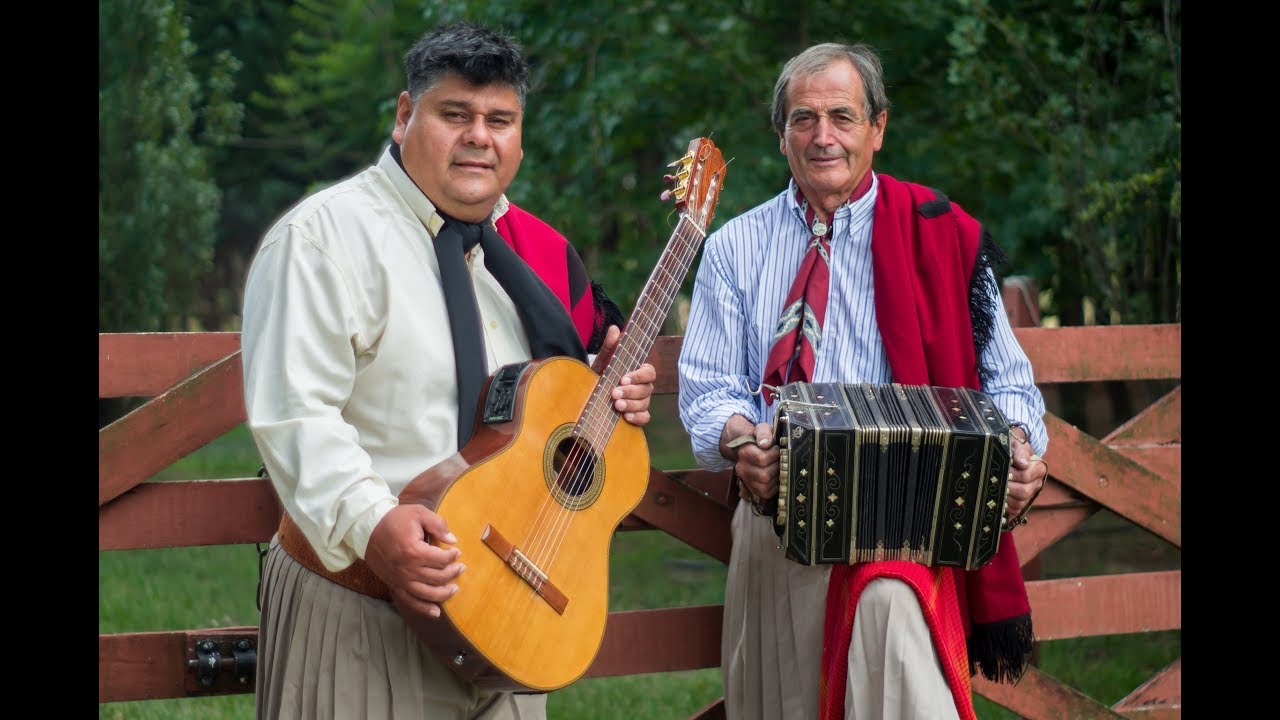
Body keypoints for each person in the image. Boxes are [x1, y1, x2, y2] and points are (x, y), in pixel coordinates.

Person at [240, 21, 657, 720]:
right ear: (405, 116)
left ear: (520, 136)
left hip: (512, 618)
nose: (479, 137)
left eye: (500, 120)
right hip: (361, 610)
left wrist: (607, 399)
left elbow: (533, 413)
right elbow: (296, 413)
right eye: (454, 114)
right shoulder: (323, 239)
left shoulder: (533, 257)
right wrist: (376, 529)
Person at [676, 42, 1050, 720]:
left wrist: (1020, 448)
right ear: (782, 134)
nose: (823, 137)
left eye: (843, 117)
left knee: (893, 625)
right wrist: (740, 443)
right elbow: (709, 390)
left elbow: (1010, 384)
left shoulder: (943, 235)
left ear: (878, 127)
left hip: (915, 523)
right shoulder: (734, 247)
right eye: (803, 119)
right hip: (782, 512)